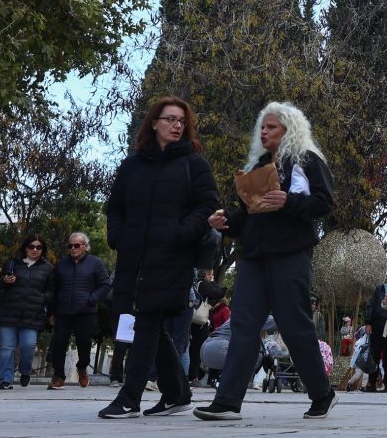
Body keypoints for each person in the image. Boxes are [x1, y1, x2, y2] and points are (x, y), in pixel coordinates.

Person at [194, 101, 337, 421]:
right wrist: (226, 222)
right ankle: (228, 401)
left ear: (290, 129)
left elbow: (324, 202)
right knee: (243, 326)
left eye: (272, 126)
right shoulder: (258, 165)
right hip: (254, 258)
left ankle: (322, 393)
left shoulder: (308, 161)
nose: (265, 131)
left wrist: (290, 200)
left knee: (294, 326)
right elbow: (248, 219)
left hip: (291, 255)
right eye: (263, 126)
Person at [99, 96, 219, 418]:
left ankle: (129, 397)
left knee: (149, 318)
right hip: (133, 255)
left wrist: (180, 234)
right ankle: (178, 394)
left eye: (181, 120)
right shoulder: (132, 165)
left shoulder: (194, 164)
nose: (177, 125)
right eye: (169, 119)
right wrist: (118, 237)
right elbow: (115, 206)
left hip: (172, 256)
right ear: (154, 122)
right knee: (146, 322)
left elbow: (207, 204)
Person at [48, 231, 111, 389]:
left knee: (84, 343)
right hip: (63, 310)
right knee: (59, 342)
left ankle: (82, 367)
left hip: (86, 311)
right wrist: (51, 311)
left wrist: (91, 299)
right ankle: (58, 376)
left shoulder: (96, 263)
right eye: (70, 245)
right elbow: (53, 288)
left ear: (85, 246)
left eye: (77, 245)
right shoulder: (61, 264)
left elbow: (105, 285)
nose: (73, 248)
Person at [0, 234, 56, 390]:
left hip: (32, 314)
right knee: (7, 348)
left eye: (39, 247)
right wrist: (4, 281)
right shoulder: (12, 263)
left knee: (28, 345)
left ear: (43, 249)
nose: (35, 250)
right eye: (31, 246)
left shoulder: (48, 268)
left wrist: (42, 298)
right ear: (25, 248)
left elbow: (52, 291)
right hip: (8, 312)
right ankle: (5, 380)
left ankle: (25, 371)